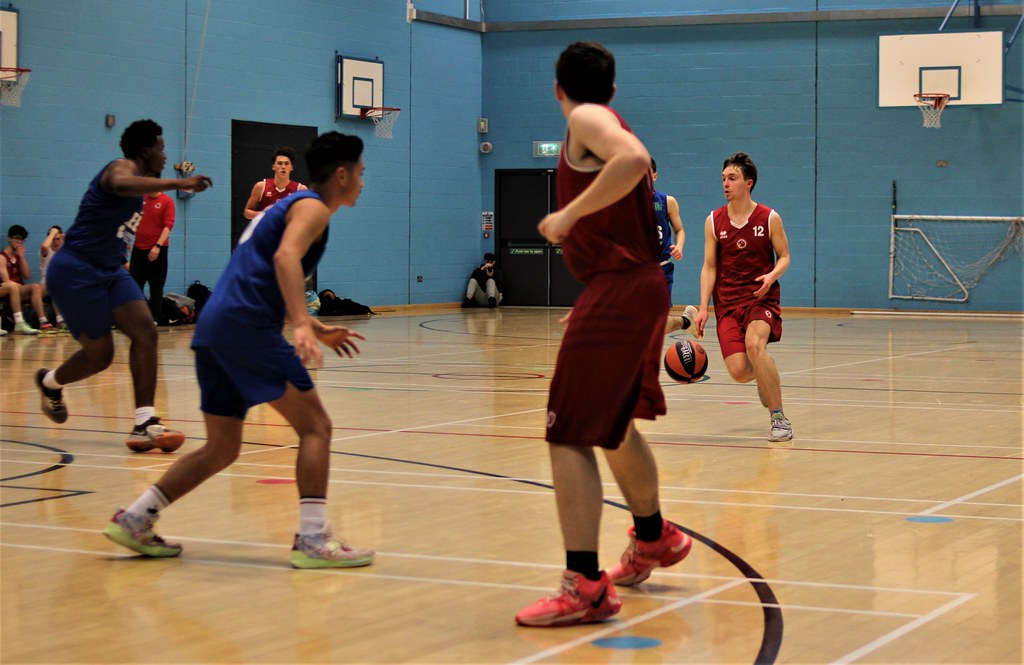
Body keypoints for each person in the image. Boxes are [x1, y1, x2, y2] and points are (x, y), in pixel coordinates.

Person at [102, 131, 375, 570]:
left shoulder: (287, 208)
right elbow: (286, 259)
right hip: (246, 328)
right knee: (317, 428)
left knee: (222, 448)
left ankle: (136, 517)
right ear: (341, 175)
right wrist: (301, 321)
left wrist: (314, 325)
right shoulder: (313, 208)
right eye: (360, 173)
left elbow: (260, 275)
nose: (363, 181)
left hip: (215, 326)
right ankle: (312, 538)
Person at [514, 42, 692, 628]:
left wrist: (567, 217)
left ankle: (584, 585)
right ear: (612, 88)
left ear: (557, 87)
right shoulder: (602, 115)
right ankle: (652, 537)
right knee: (612, 426)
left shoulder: (585, 118)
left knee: (567, 433)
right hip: (632, 287)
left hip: (621, 285)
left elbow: (635, 159)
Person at [34, 119, 212, 451]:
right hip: (75, 272)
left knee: (146, 330)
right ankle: (49, 382)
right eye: (160, 148)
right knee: (100, 357)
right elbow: (118, 182)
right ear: (145, 151)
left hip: (110, 270)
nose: (164, 154)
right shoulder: (120, 167)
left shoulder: (143, 185)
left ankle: (145, 421)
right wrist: (181, 181)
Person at [692, 152, 793, 442]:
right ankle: (765, 375)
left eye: (732, 178)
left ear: (748, 183)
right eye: (723, 178)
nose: (725, 183)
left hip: (761, 299)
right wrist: (702, 308)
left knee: (754, 344)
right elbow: (709, 266)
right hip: (727, 304)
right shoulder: (713, 221)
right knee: (738, 371)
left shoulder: (769, 217)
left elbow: (784, 256)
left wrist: (772, 276)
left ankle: (779, 419)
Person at [650, 159, 700, 337]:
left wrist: (679, 246)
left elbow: (679, 230)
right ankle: (686, 320)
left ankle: (685, 320)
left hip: (661, 269)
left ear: (654, 175)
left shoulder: (667, 201)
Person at [129, 191, 175, 322]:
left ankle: (154, 318)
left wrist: (158, 246)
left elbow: (168, 226)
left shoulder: (167, 201)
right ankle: (138, 316)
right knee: (133, 285)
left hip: (157, 250)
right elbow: (131, 220)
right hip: (138, 248)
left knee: (156, 286)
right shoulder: (140, 199)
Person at [243, 145, 308, 220]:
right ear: (273, 166)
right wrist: (264, 214)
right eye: (280, 163)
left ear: (291, 167)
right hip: (267, 230)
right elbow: (247, 212)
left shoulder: (300, 189)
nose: (283, 167)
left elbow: (307, 214)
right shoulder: (261, 186)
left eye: (286, 163)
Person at [1, 225, 44, 334]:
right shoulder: (2, 257)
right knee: (12, 286)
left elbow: (27, 275)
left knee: (35, 287)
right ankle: (19, 323)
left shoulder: (18, 257)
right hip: (7, 290)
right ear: (9, 238)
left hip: (18, 290)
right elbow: (6, 280)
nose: (19, 242)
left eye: (21, 240)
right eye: (16, 238)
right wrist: (20, 287)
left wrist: (22, 257)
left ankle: (43, 322)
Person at [38, 225, 68, 332]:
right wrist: (52, 233)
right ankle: (60, 320)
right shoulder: (46, 252)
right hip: (45, 286)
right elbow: (45, 247)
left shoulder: (65, 253)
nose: (56, 242)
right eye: (53, 239)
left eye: (58, 239)